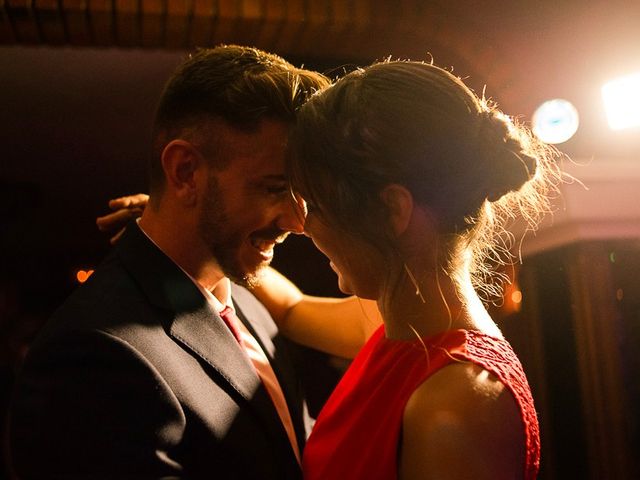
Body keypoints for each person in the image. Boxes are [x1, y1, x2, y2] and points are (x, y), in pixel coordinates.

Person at [8, 45, 345, 479]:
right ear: (185, 171)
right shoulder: (94, 355)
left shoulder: (249, 306)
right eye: (274, 188)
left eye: (301, 195)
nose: (298, 222)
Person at [280, 61, 559, 479]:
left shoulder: (455, 403)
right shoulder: (399, 332)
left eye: (317, 207)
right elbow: (288, 308)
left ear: (393, 209)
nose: (304, 227)